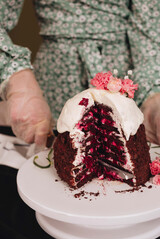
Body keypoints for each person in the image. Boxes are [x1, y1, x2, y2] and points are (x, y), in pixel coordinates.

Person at [0, 0, 160, 149]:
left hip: (121, 86)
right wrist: (17, 81)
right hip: (52, 87)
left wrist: (153, 97)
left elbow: (150, 30)